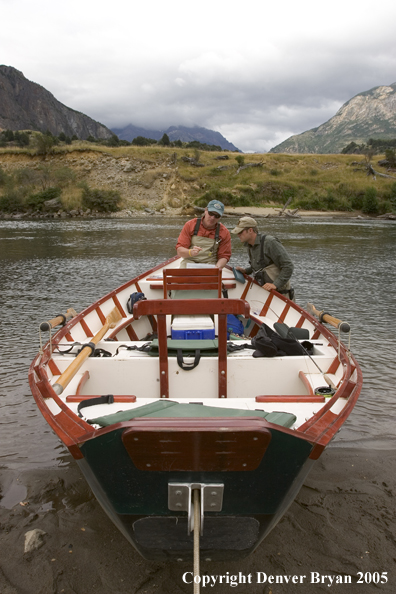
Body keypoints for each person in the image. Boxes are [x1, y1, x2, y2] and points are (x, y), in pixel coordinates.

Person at [231, 216, 294, 298]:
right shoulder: (250, 245)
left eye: (240, 232)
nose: (238, 235)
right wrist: (246, 271)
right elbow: (261, 266)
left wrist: (275, 285)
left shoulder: (270, 242)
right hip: (266, 293)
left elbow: (288, 266)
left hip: (281, 294)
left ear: (250, 230)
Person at [176, 200, 232, 269]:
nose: (212, 218)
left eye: (216, 216)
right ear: (205, 210)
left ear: (220, 217)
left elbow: (224, 256)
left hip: (210, 264)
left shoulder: (224, 232)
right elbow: (180, 251)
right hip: (189, 262)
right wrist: (190, 252)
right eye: (211, 213)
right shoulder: (190, 225)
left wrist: (218, 267)